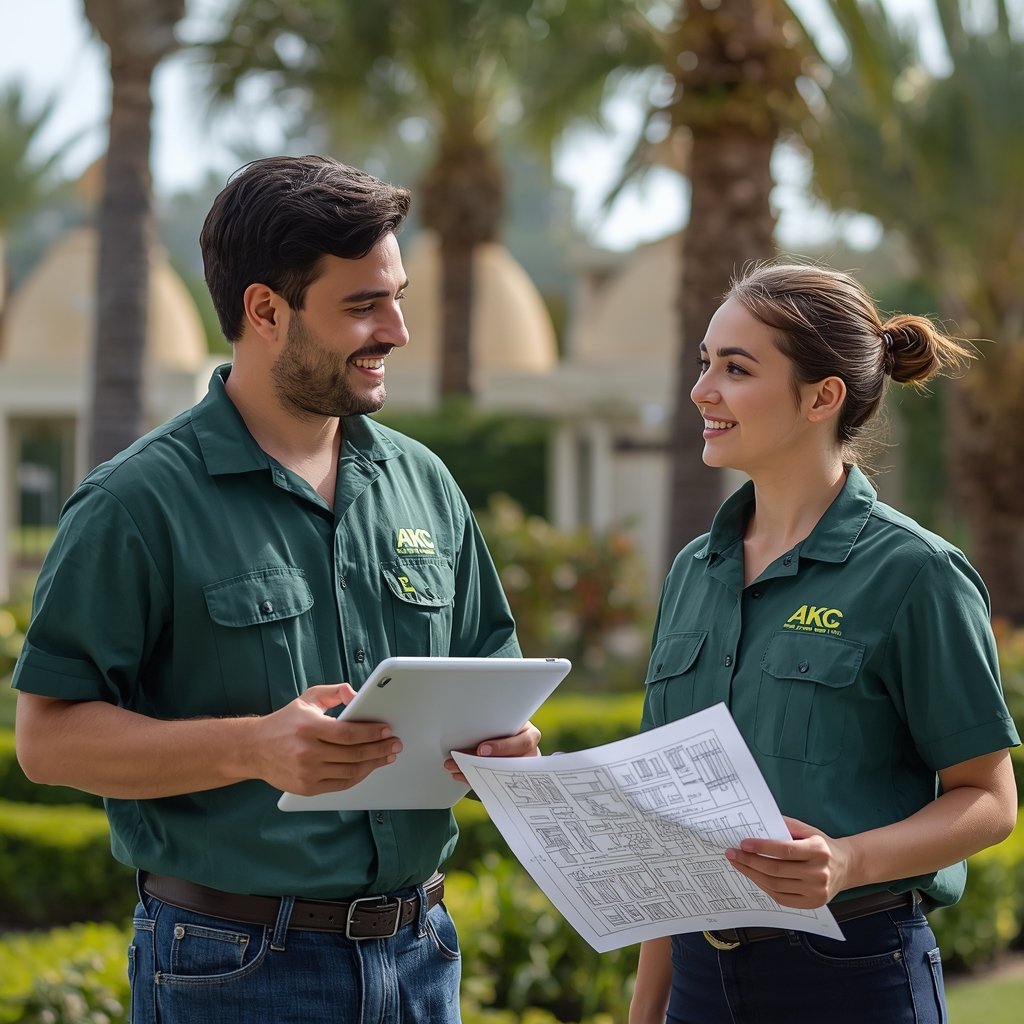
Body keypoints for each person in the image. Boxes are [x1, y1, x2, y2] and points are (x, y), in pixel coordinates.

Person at [12, 154, 539, 1024]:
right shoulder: (135, 503)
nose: (399, 329)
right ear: (266, 310)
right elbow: (48, 741)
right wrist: (251, 747)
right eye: (363, 305)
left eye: (396, 295)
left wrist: (507, 752)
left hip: (423, 958)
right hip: (232, 969)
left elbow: (493, 671)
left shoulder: (426, 483)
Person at [627, 262, 1019, 1024]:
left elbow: (990, 799)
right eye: (705, 363)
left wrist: (848, 860)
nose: (704, 390)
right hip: (699, 977)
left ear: (822, 396)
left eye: (736, 369)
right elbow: (665, 820)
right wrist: (647, 1011)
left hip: (852, 974)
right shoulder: (693, 571)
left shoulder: (916, 574)